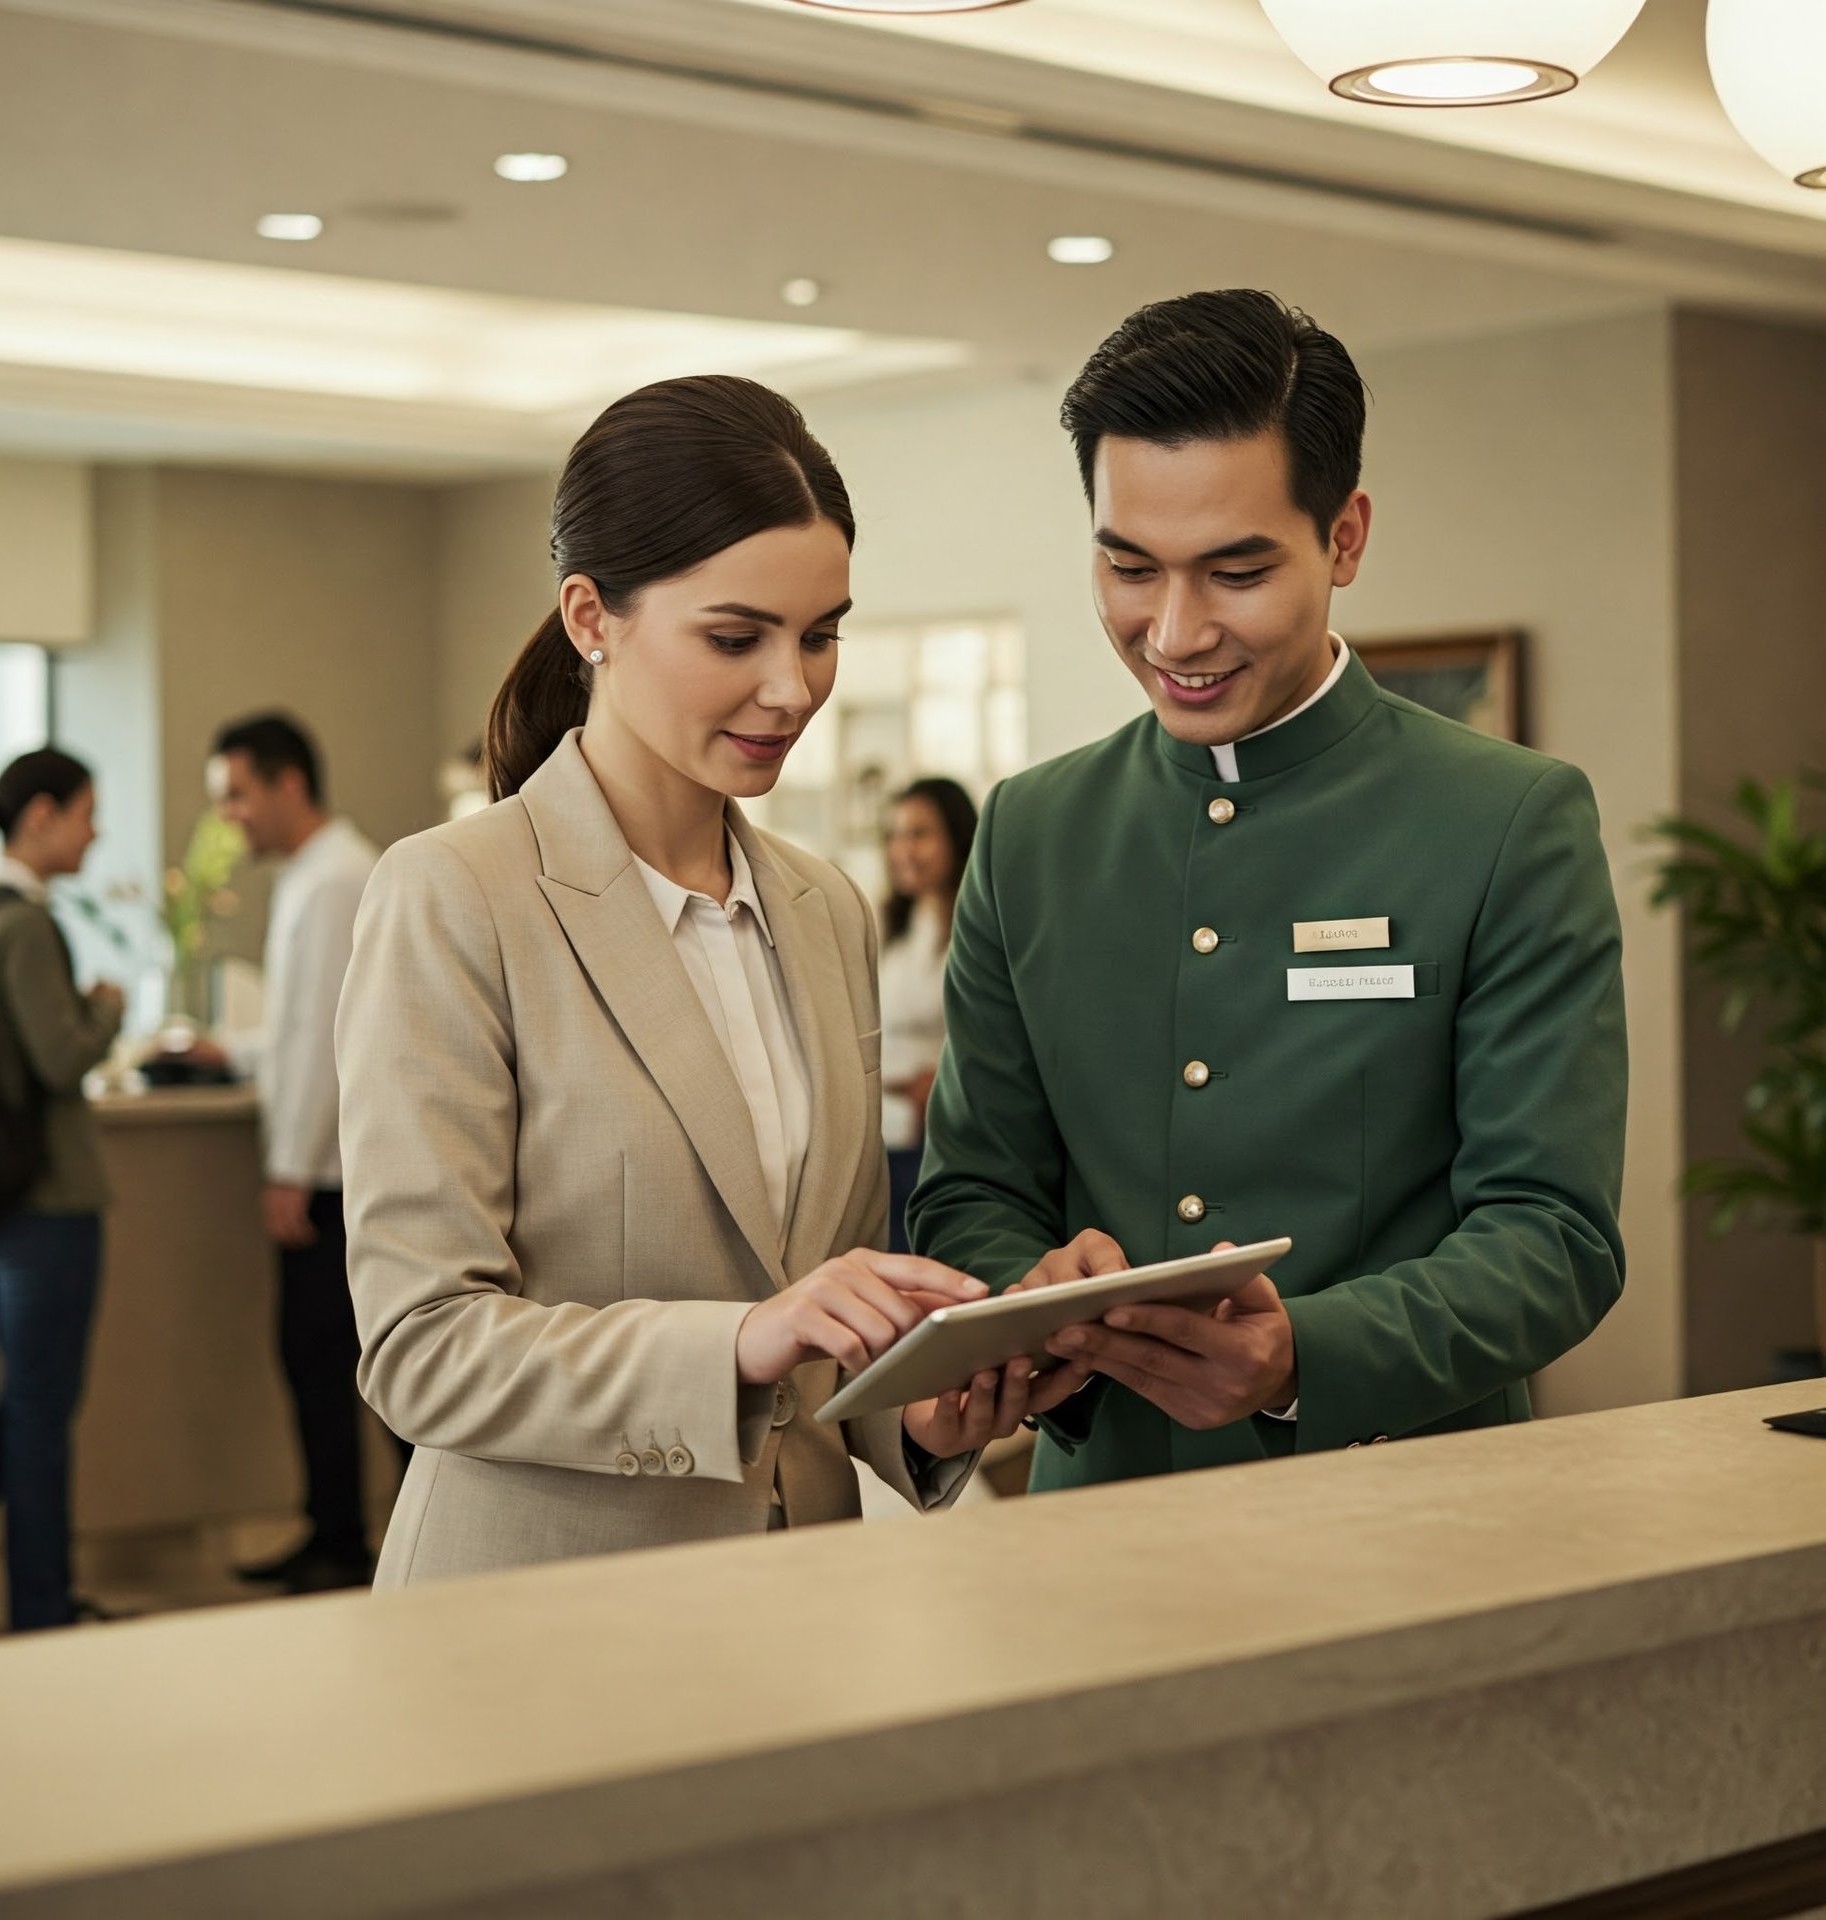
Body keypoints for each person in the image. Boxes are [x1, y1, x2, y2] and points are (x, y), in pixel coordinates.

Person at [335, 375, 1084, 1585]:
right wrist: (740, 1342)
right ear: (591, 616)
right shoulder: (455, 895)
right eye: (736, 638)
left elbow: (819, 1334)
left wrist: (922, 1409)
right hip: (539, 1612)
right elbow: (423, 1349)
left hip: (798, 1600)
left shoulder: (821, 908)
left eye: (822, 633)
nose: (792, 688)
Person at [910, 290, 1627, 1490]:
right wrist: (1024, 1288)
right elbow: (974, 1188)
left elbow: (1553, 1235)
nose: (1175, 633)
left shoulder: (1508, 819)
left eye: (1236, 571)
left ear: (1345, 538)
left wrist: (1305, 1356)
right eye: (1129, 568)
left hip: (1418, 1511)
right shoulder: (1032, 829)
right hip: (1099, 1525)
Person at [192, 715, 384, 1593]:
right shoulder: (316, 875)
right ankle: (334, 1531)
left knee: (334, 1360)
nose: (229, 817)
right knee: (318, 1359)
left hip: (337, 1177)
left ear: (288, 785)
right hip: (327, 1169)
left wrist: (290, 1172)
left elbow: (323, 1043)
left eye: (236, 794)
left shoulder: (338, 877)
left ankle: (346, 1540)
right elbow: (292, 1030)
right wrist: (229, 1054)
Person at [0, 748, 125, 1632]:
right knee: (42, 1418)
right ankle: (41, 1612)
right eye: (88, 812)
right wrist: (106, 1007)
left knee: (22, 1401)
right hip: (44, 1207)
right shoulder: (23, 924)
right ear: (42, 815)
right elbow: (60, 1057)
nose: (96, 831)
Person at [878, 778, 977, 1254]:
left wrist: (937, 1079)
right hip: (881, 1132)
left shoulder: (976, 928)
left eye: (919, 834)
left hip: (940, 1136)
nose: (903, 850)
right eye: (894, 835)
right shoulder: (890, 927)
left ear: (956, 839)